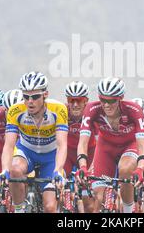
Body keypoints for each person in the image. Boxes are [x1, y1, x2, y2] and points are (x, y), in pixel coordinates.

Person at [76, 77, 144, 213]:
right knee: (99, 197)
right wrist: (83, 167)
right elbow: (83, 143)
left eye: (111, 101)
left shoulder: (134, 110)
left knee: (125, 169)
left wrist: (140, 168)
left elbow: (143, 146)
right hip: (105, 148)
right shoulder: (92, 109)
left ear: (120, 98)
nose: (106, 105)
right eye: (103, 100)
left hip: (129, 145)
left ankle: (128, 210)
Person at [0, 71, 68, 213]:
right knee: (15, 170)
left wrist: (58, 170)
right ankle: (19, 209)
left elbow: (62, 145)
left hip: (50, 156)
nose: (30, 101)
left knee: (49, 207)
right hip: (27, 152)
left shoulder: (58, 109)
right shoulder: (15, 111)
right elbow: (9, 145)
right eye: (26, 96)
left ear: (45, 95)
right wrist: (5, 170)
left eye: (35, 96)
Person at [64, 81, 95, 213]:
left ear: (86, 101)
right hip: (67, 154)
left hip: (90, 153)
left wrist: (92, 167)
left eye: (79, 100)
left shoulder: (94, 113)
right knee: (59, 188)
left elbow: (101, 143)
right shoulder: (63, 111)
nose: (75, 104)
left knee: (88, 203)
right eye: (72, 100)